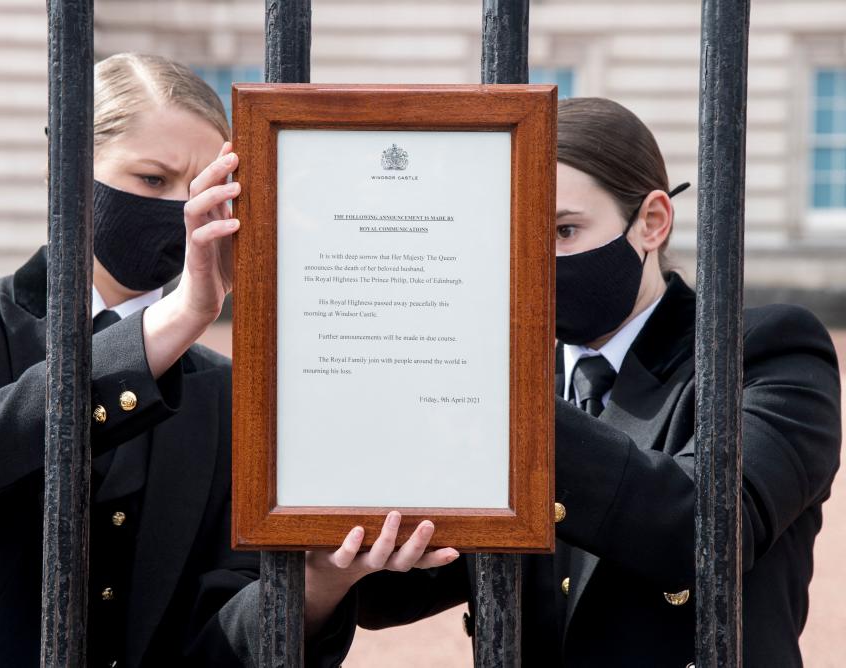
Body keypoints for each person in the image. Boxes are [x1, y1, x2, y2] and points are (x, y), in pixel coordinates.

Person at [0, 53, 453, 667]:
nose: (183, 212)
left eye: (202, 190)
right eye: (152, 180)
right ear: (65, 168)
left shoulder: (227, 394)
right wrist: (180, 318)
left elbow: (214, 647)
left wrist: (316, 583)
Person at [340, 97, 842, 666]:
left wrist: (504, 402)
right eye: (513, 236)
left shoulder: (763, 350)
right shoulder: (500, 376)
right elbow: (392, 589)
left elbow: (707, 530)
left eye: (563, 230)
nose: (534, 260)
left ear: (652, 222)